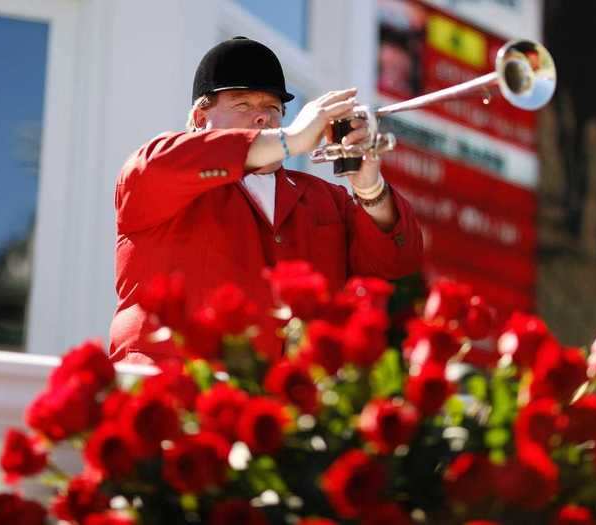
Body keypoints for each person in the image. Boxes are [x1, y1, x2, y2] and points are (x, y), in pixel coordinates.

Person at [109, 37, 423, 364]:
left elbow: (397, 261)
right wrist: (293, 139)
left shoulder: (326, 199)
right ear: (201, 120)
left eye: (273, 108)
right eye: (243, 105)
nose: (264, 117)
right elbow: (157, 164)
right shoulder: (158, 173)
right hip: (171, 394)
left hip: (282, 405)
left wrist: (370, 187)